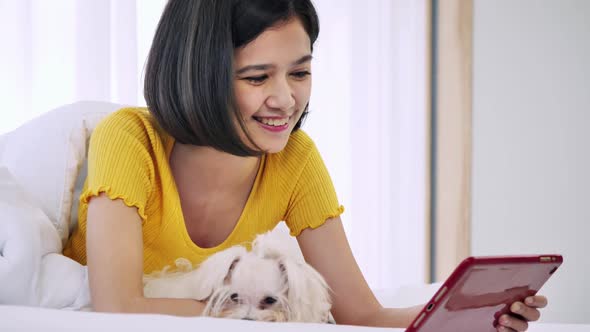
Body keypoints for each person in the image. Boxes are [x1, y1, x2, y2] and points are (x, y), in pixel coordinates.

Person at [63, 0, 548, 329]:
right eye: (257, 77)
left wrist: (462, 316)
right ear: (197, 74)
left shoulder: (295, 159)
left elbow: (362, 315)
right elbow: (118, 308)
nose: (285, 99)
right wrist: (260, 313)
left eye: (300, 72)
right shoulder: (129, 138)